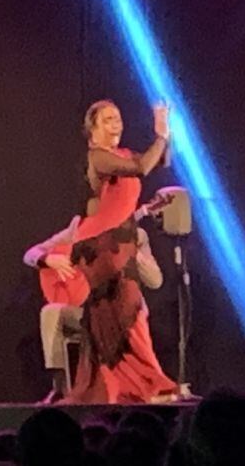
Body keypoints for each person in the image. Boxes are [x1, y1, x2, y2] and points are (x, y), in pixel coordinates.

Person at [62, 99, 177, 403]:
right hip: (101, 247)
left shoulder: (123, 154)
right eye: (109, 119)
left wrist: (165, 131)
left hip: (120, 245)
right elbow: (142, 167)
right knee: (129, 308)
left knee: (122, 314)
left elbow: (161, 161)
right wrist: (160, 136)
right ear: (93, 128)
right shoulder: (98, 157)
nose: (117, 124)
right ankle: (148, 384)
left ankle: (124, 385)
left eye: (119, 118)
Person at [24, 201, 164, 403]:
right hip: (89, 311)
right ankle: (60, 386)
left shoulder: (139, 236)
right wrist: (47, 259)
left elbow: (156, 281)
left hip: (123, 316)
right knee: (51, 312)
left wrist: (135, 256)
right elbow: (31, 253)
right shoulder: (78, 229)